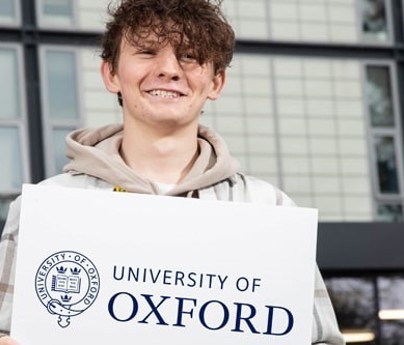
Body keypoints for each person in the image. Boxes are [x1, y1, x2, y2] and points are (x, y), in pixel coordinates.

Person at [0, 0, 345, 344]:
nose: (169, 69)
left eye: (189, 56)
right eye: (147, 52)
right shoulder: (46, 210)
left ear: (216, 83)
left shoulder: (270, 209)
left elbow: (322, 339)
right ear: (111, 74)